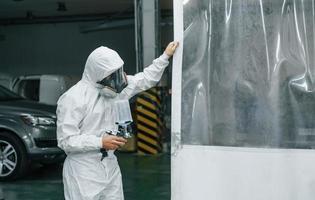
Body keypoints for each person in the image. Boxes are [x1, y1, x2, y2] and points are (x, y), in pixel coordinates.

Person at [56, 41, 179, 200]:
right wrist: (100, 142)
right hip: (83, 170)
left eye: (118, 72)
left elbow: (146, 79)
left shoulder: (115, 90)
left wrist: (165, 56)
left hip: (110, 163)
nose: (118, 78)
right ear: (97, 73)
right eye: (111, 74)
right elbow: (65, 140)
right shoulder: (73, 98)